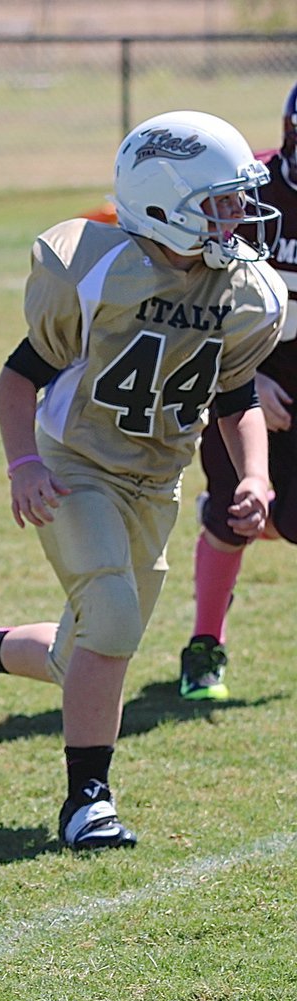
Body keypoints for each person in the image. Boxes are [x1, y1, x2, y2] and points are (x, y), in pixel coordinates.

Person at [0, 110, 285, 851]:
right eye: (221, 202)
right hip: (77, 463)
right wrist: (24, 464)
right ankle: (87, 800)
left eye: (239, 200)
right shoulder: (99, 269)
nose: (238, 217)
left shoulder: (242, 292)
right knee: (110, 618)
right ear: (163, 200)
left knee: (85, 653)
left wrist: (256, 474)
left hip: (157, 479)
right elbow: (18, 380)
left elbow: (234, 395)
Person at [179, 84, 297, 700]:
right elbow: (205, 293)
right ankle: (205, 645)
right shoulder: (252, 190)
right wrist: (252, 374)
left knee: (281, 519)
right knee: (234, 517)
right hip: (248, 358)